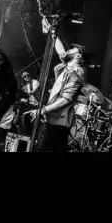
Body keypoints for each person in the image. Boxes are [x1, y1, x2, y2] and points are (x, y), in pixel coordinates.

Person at [25, 18, 86, 152]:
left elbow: (66, 99)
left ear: (78, 56)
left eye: (73, 50)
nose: (69, 50)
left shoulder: (76, 72)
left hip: (60, 122)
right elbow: (61, 52)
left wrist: (44, 110)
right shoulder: (68, 67)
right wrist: (52, 32)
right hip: (55, 120)